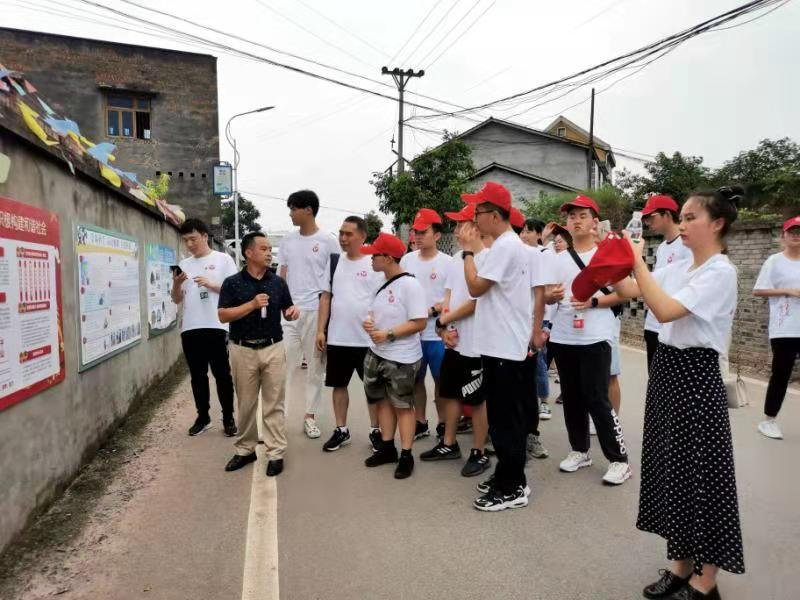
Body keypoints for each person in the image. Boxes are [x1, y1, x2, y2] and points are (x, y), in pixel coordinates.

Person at [615, 187, 745, 600]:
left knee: (702, 476)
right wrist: (616, 258)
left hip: (696, 375)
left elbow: (666, 310)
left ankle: (706, 581)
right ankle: (680, 565)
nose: (682, 224)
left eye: (690, 217)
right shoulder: (681, 265)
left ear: (717, 223)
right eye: (682, 217)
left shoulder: (720, 272)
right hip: (668, 371)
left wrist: (637, 263)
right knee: (672, 470)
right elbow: (631, 292)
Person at [460, 182, 548, 512]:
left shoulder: (506, 247)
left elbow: (475, 287)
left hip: (503, 348)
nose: (473, 219)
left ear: (494, 215)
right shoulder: (512, 247)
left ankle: (513, 487)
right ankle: (508, 476)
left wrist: (468, 252)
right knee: (504, 418)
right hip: (505, 344)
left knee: (505, 421)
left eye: (478, 213)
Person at [547, 196, 631, 485]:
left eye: (583, 215)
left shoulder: (605, 256)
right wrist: (551, 296)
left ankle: (619, 459)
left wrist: (595, 302)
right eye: (571, 217)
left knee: (597, 398)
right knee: (571, 398)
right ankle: (580, 450)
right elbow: (546, 296)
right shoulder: (555, 259)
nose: (576, 220)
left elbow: (627, 292)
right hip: (563, 336)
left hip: (596, 336)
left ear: (595, 222)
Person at [219, 232, 300, 477]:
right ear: (248, 253)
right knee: (246, 403)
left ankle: (276, 452)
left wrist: (291, 312)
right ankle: (245, 449)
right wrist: (252, 305)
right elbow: (223, 315)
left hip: (273, 347)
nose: (269, 253)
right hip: (242, 349)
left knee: (274, 403)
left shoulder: (277, 282)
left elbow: (287, 309)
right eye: (263, 249)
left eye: (269, 249)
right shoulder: (232, 283)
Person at [420, 203, 491, 477]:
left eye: (461, 224)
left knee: (476, 400)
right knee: (449, 393)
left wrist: (444, 321)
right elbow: (448, 297)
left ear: (475, 226)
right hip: (454, 341)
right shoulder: (457, 257)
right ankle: (448, 443)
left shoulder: (488, 258)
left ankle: (479, 451)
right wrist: (442, 328)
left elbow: (476, 301)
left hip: (478, 343)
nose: (457, 230)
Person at [360, 233, 428, 479]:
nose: (370, 259)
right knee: (382, 402)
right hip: (377, 352)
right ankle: (387, 447)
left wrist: (388, 334)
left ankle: (406, 454)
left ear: (388, 258)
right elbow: (374, 312)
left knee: (402, 406)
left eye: (374, 255)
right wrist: (370, 325)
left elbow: (419, 321)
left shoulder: (410, 285)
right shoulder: (381, 282)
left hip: (401, 357)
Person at [316, 216, 384, 452]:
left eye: (349, 234)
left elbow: (383, 299)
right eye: (341, 233)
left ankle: (376, 430)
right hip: (338, 337)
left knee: (373, 388)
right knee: (338, 385)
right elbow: (326, 297)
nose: (343, 238)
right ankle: (341, 430)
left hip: (367, 340)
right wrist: (320, 330)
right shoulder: (334, 261)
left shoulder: (374, 263)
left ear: (362, 236)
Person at [278, 190, 340, 439]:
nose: (290, 213)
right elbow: (282, 274)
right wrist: (280, 306)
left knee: (315, 369)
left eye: (293, 208)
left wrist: (325, 324)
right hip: (289, 312)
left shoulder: (328, 241)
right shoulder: (287, 241)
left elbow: (334, 280)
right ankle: (278, 419)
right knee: (282, 367)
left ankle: (310, 417)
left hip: (316, 312)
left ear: (308, 210)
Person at [170, 218, 238, 437]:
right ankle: (203, 417)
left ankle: (228, 417)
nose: (189, 244)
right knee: (197, 376)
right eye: (185, 240)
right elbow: (176, 299)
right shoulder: (184, 264)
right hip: (190, 327)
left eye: (193, 239)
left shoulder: (223, 260)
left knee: (222, 375)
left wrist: (212, 284)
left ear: (205, 236)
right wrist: (177, 284)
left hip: (216, 325)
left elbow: (236, 292)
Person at [400, 209, 452, 440]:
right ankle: (420, 421)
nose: (417, 237)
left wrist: (430, 311)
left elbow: (451, 300)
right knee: (416, 381)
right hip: (412, 335)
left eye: (423, 232)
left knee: (442, 381)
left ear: (437, 235)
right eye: (415, 232)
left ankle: (443, 422)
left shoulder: (448, 263)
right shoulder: (407, 260)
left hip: (437, 334)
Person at [753, 215, 800, 440]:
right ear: (784, 235)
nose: (797, 235)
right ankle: (769, 420)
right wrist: (788, 291)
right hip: (785, 328)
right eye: (793, 231)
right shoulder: (774, 261)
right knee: (781, 374)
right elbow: (759, 290)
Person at [641, 194, 691, 370]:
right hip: (653, 322)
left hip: (672, 322)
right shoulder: (662, 247)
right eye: (645, 218)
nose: (647, 222)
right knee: (654, 377)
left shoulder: (687, 245)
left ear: (668, 215)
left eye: (651, 217)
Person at [521, 218, 554, 423]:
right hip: (523, 318)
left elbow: (546, 290)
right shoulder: (520, 254)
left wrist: (542, 324)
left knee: (539, 362)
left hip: (541, 319)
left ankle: (543, 400)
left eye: (529, 232)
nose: (524, 235)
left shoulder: (544, 255)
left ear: (539, 235)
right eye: (522, 231)